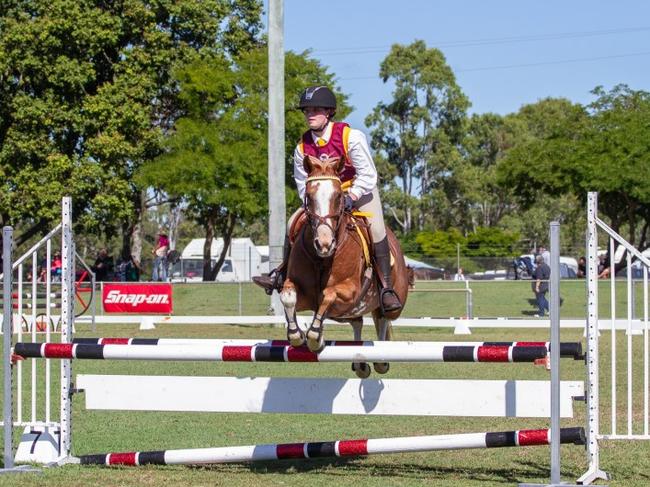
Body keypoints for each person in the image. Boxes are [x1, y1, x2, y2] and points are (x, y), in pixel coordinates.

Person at [253, 85, 402, 312]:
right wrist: (315, 203)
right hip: (322, 200)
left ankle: (386, 288)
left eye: (315, 110)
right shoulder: (302, 147)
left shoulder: (350, 137)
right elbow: (303, 182)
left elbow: (369, 174)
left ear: (329, 112)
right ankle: (281, 275)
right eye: (306, 111)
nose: (309, 115)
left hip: (358, 191)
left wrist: (351, 196)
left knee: (377, 228)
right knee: (292, 223)